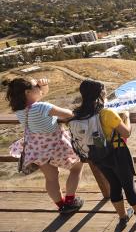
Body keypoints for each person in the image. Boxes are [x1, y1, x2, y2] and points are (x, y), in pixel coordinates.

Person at [72, 79, 136, 224]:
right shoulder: (107, 113)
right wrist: (127, 117)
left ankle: (123, 217)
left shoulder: (78, 114)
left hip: (97, 155)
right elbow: (126, 133)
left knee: (114, 185)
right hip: (117, 153)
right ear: (99, 94)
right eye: (103, 91)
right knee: (128, 185)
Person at [4, 77, 84, 213]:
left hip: (37, 149)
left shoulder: (20, 110)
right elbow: (69, 114)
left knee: (51, 178)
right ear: (28, 92)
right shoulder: (42, 107)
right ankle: (71, 201)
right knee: (77, 168)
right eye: (37, 87)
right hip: (55, 146)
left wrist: (42, 87)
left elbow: (37, 99)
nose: (40, 89)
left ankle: (61, 205)